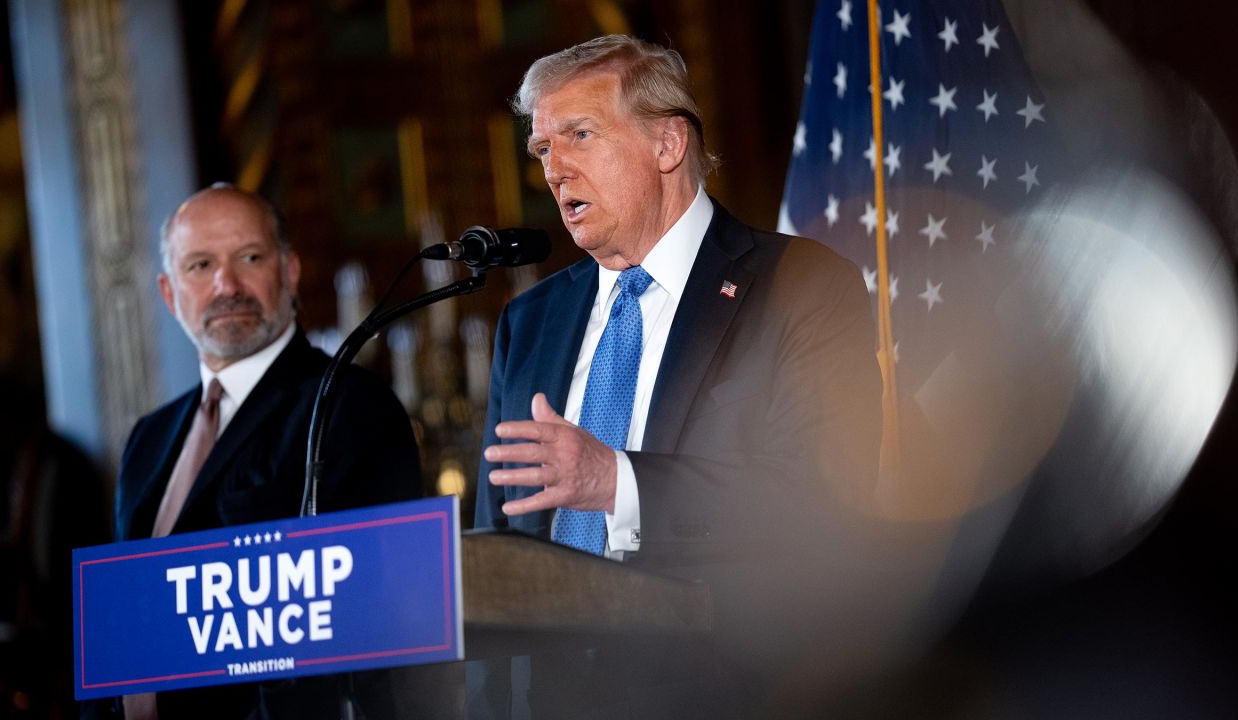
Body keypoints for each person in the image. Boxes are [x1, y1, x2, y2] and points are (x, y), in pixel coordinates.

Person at [473, 35, 881, 714]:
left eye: (579, 134)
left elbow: (821, 498)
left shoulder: (799, 286)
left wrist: (617, 483)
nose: (555, 170)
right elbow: (501, 536)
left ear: (667, 145)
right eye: (543, 150)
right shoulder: (531, 319)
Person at [100, 184, 422, 719]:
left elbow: (371, 633)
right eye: (200, 265)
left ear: (290, 271)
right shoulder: (147, 439)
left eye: (249, 257)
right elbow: (120, 624)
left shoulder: (351, 407)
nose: (226, 284)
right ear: (168, 292)